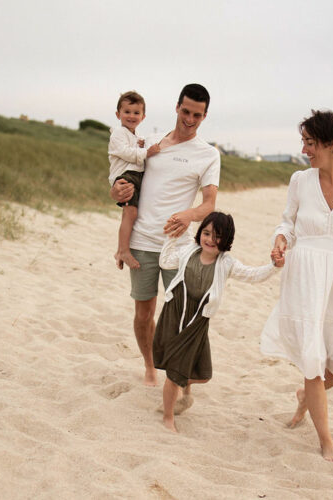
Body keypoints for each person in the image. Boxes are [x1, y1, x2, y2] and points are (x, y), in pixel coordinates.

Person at [261, 110, 333, 462]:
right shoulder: (300, 180)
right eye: (303, 142)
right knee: (312, 361)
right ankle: (326, 441)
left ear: (331, 143)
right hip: (304, 277)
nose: (304, 150)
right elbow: (288, 223)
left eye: (310, 143)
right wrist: (281, 242)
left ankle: (305, 397)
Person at [111, 84, 220, 386]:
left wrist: (188, 215)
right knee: (144, 313)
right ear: (176, 107)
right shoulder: (151, 143)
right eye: (185, 111)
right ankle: (149, 366)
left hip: (179, 248)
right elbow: (125, 180)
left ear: (204, 115)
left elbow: (209, 204)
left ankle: (179, 375)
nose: (189, 119)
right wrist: (115, 191)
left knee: (183, 315)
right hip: (141, 242)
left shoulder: (208, 154)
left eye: (197, 115)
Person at [154, 212, 281, 432]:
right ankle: (168, 417)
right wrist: (172, 238)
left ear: (227, 240)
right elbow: (165, 262)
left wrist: (274, 266)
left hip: (198, 322)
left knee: (202, 375)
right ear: (200, 233)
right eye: (206, 233)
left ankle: (184, 387)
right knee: (174, 373)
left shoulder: (226, 263)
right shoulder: (188, 252)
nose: (211, 240)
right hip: (175, 313)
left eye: (218, 236)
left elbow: (253, 275)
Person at [107, 90, 161, 270]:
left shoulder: (136, 136)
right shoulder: (118, 133)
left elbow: (135, 148)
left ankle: (123, 249)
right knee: (129, 213)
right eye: (127, 112)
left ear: (143, 116)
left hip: (135, 175)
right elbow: (126, 153)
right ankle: (122, 250)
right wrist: (146, 152)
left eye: (136, 113)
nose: (131, 116)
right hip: (126, 175)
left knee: (133, 213)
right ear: (118, 114)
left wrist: (142, 145)